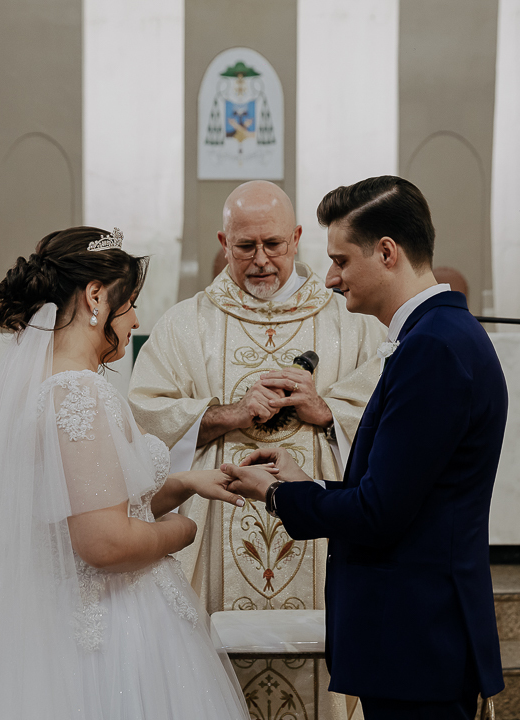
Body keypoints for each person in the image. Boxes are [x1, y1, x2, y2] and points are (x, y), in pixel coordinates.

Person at [0, 227, 249, 720]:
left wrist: (184, 484)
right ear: (95, 296)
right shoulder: (79, 393)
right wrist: (181, 531)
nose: (135, 319)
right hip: (109, 630)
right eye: (129, 303)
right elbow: (103, 543)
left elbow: (90, 502)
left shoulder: (43, 386)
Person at [224, 176, 508, 719]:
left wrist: (277, 496)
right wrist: (306, 483)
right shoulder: (439, 336)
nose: (329, 278)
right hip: (418, 635)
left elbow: (380, 514)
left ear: (386, 252)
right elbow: (401, 492)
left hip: (416, 637)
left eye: (341, 260)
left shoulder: (433, 350)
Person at [128, 181, 384, 718]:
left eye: (274, 244)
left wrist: (326, 411)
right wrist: (229, 414)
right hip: (214, 539)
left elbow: (389, 417)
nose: (261, 260)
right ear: (224, 242)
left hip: (319, 541)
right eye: (245, 247)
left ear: (296, 238)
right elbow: (142, 418)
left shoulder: (352, 324)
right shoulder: (184, 326)